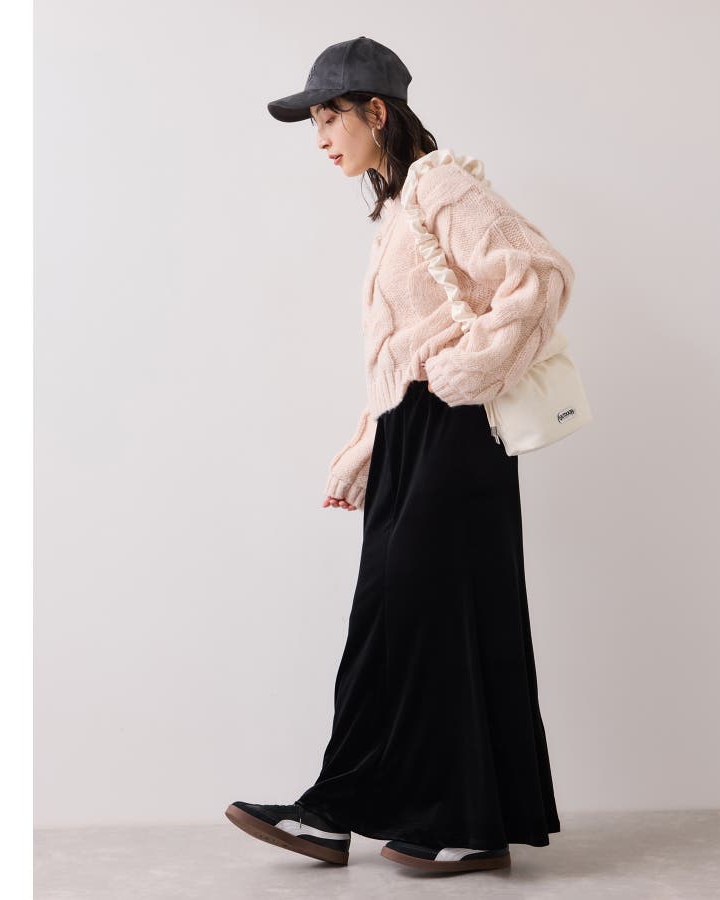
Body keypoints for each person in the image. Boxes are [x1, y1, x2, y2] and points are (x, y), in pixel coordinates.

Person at [225, 35, 575, 874]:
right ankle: (336, 810)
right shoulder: (395, 209)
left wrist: (466, 372)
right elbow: (401, 352)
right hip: (414, 432)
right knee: (386, 619)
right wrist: (365, 452)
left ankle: (465, 822)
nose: (320, 138)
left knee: (430, 613)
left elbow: (541, 274)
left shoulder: (443, 186)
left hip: (456, 427)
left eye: (328, 118)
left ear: (376, 111)